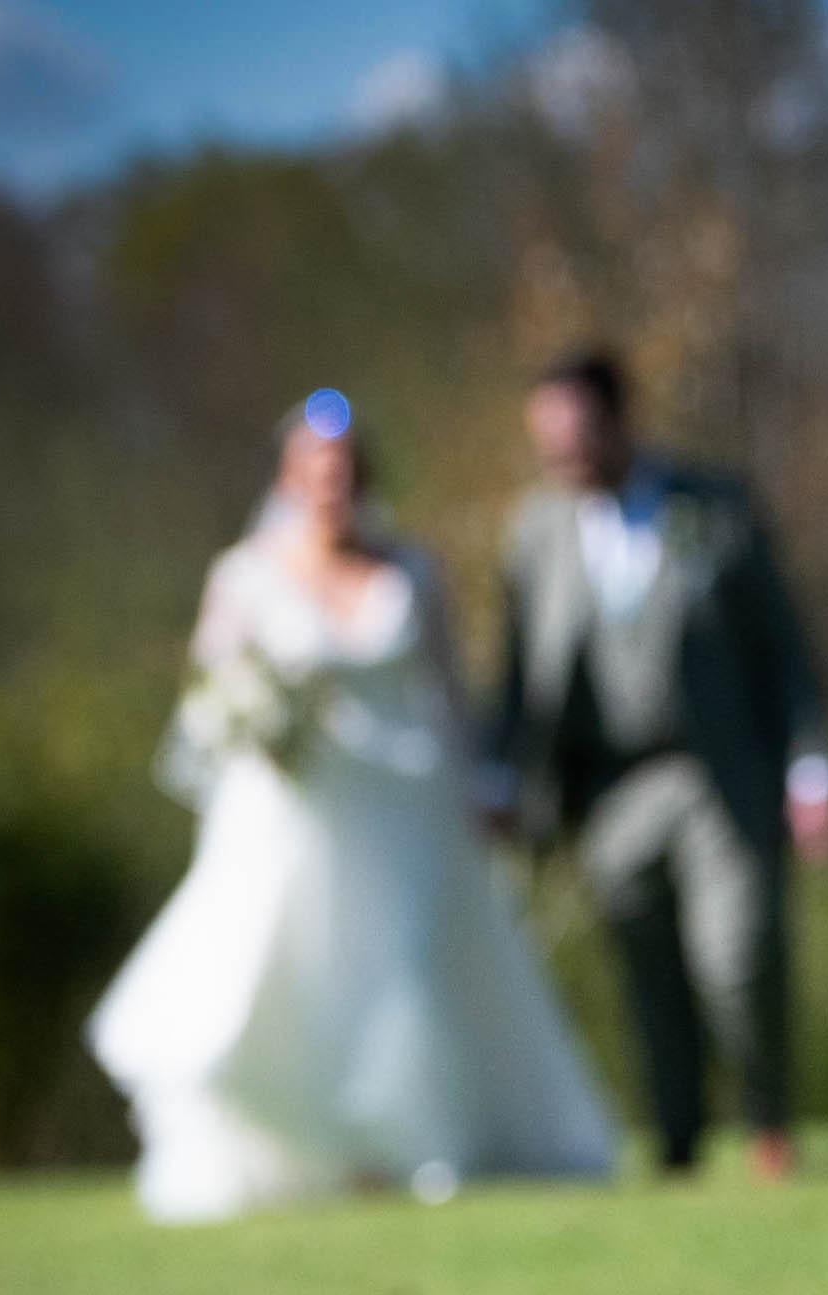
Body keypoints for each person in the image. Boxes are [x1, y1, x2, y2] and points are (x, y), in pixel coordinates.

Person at [90, 390, 617, 1222]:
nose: (332, 483)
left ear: (363, 475)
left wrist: (486, 785)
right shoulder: (244, 574)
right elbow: (206, 700)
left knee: (407, 969)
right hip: (297, 816)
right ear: (290, 477)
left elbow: (449, 693)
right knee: (294, 975)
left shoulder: (411, 571)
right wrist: (253, 725)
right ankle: (319, 1151)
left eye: (345, 468)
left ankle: (417, 1142)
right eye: (315, 468)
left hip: (406, 806)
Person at [489, 347, 828, 1180]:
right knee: (649, 982)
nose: (564, 457)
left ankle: (767, 1121)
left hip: (721, 775)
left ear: (619, 420)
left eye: (576, 437)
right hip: (609, 789)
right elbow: (513, 677)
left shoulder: (714, 508)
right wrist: (500, 777)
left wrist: (813, 769)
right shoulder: (535, 534)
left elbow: (786, 651)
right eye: (549, 445)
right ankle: (678, 1145)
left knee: (736, 955)